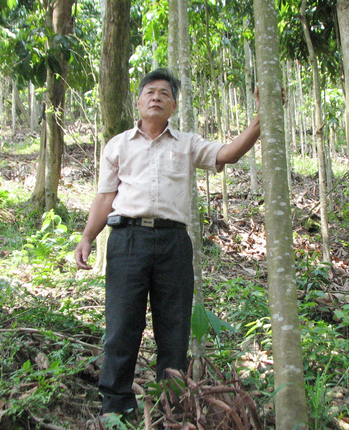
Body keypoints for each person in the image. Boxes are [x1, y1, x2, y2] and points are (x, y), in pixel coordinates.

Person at [74, 67, 262, 417]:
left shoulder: (188, 144)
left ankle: (172, 408)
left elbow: (229, 154)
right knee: (121, 325)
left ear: (174, 105)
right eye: (150, 92)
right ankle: (115, 408)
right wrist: (87, 237)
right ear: (139, 101)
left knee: (174, 328)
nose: (156, 97)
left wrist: (260, 120)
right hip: (127, 239)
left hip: (174, 243)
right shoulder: (117, 145)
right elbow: (104, 197)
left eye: (164, 93)